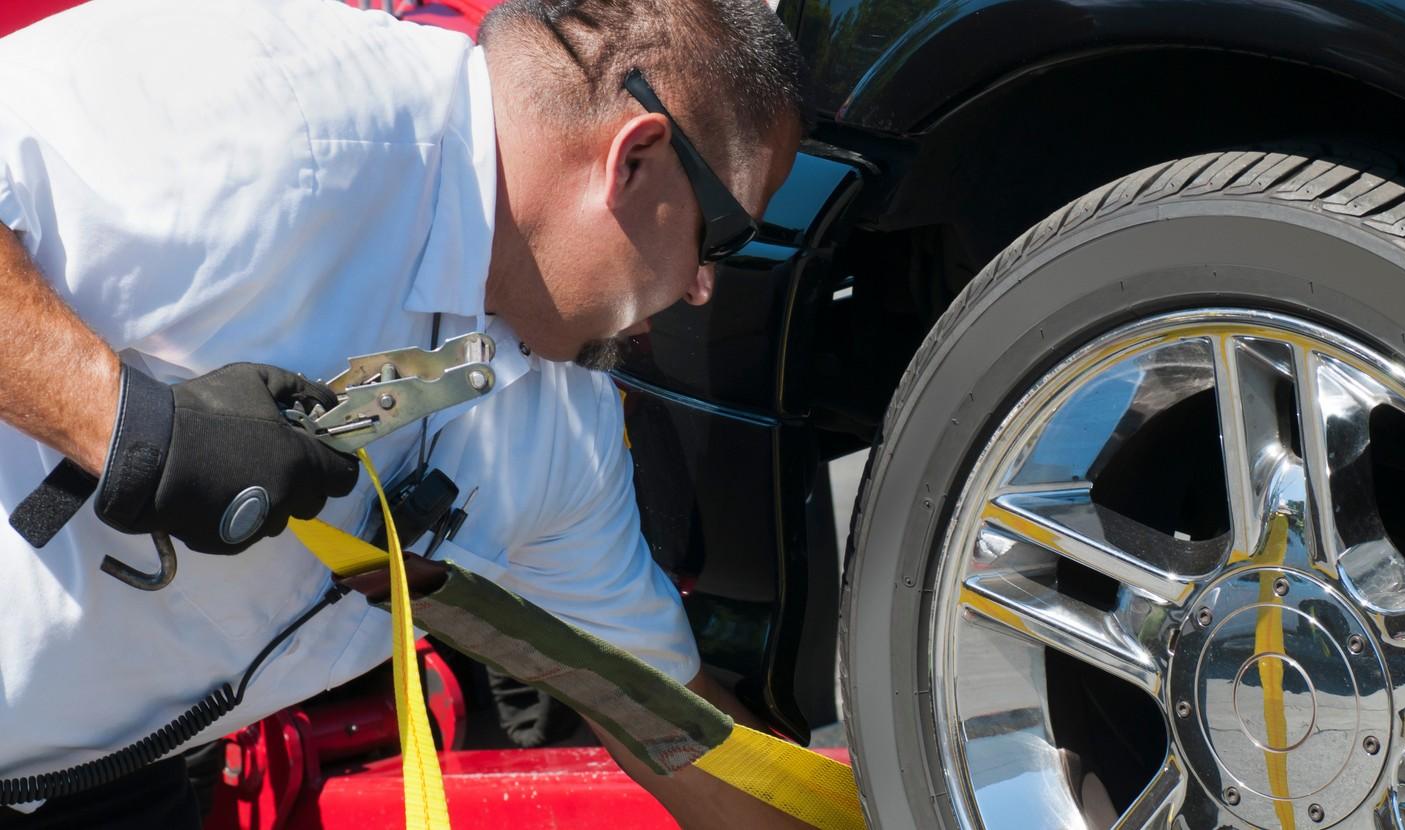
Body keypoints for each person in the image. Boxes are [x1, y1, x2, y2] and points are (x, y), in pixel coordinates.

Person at [0, 0, 807, 827]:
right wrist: (127, 429)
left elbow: (660, 719)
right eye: (721, 237)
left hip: (91, 778)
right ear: (634, 159)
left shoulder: (564, 427)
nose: (702, 288)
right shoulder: (278, 102)